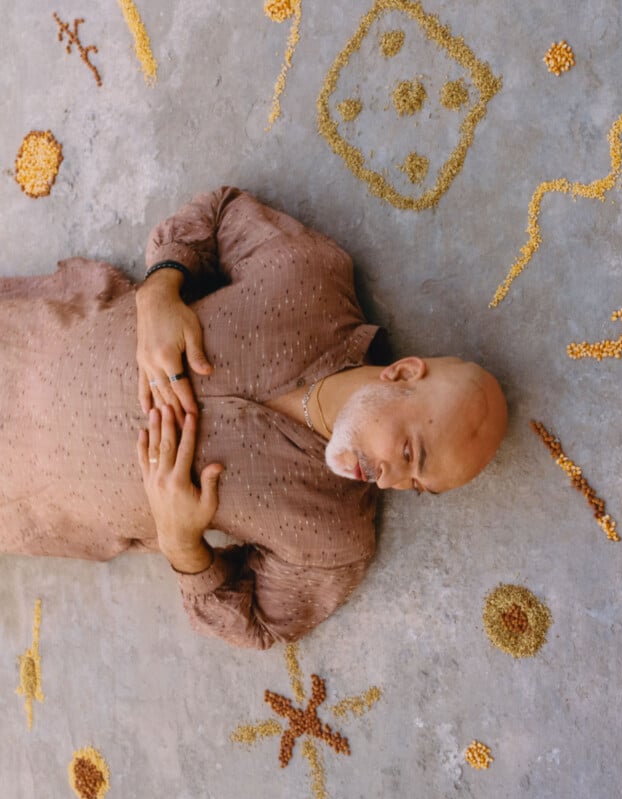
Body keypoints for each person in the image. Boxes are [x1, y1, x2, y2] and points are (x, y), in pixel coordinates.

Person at [0, 186, 507, 649]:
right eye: (410, 453)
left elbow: (259, 625)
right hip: (25, 338)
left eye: (416, 486)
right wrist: (160, 290)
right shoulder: (313, 277)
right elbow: (217, 213)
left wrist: (181, 542)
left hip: (24, 501)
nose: (390, 481)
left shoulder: (334, 540)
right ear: (402, 374)